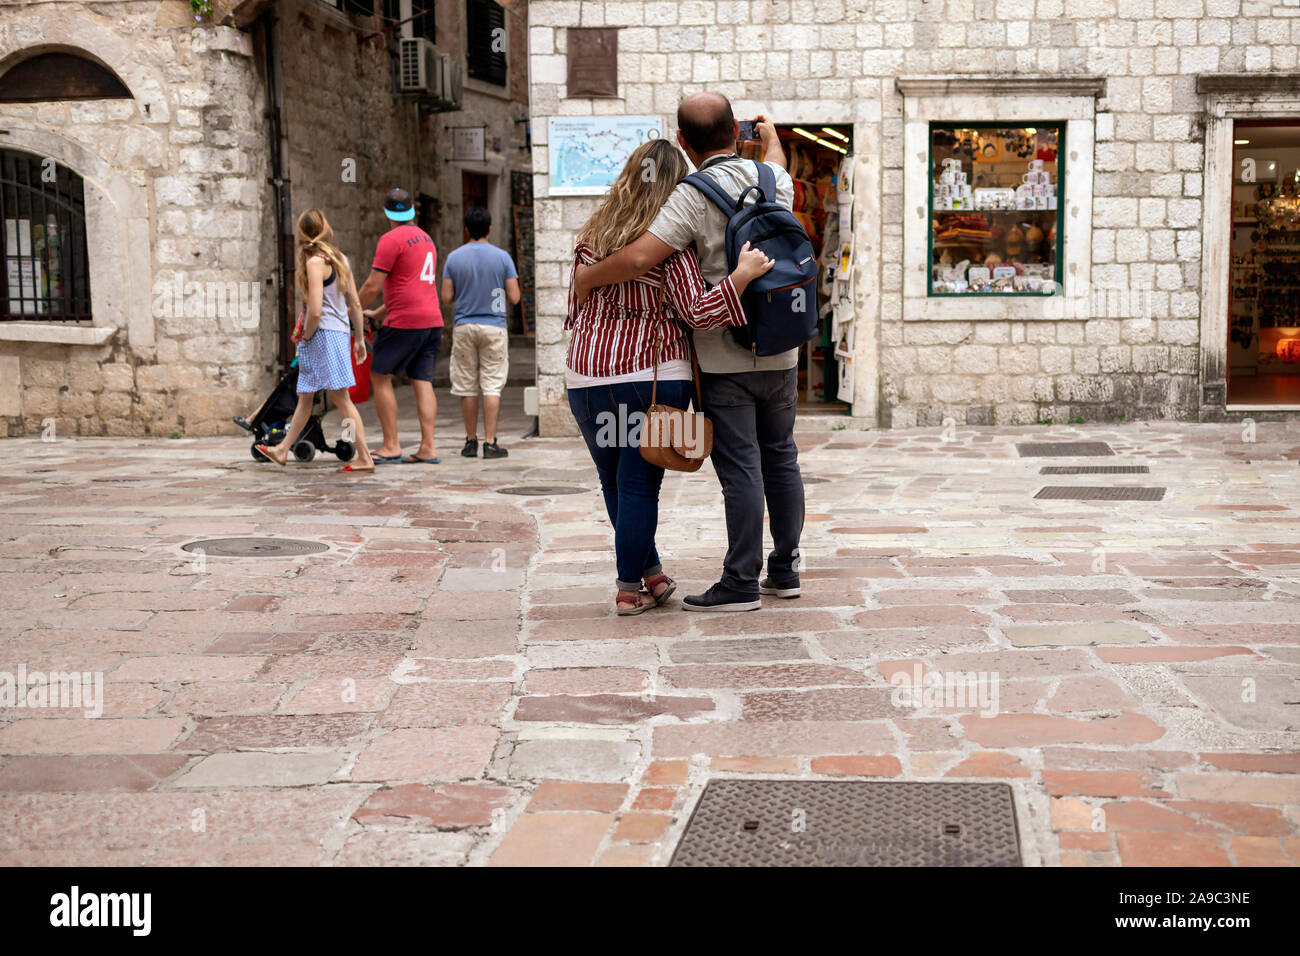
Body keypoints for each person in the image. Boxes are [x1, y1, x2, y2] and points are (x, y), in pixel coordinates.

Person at [575, 94, 806, 613]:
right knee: (782, 459)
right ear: (737, 129)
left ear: (684, 141)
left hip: (721, 358)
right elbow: (776, 165)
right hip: (780, 350)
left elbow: (637, 256)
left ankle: (739, 581)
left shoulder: (689, 195)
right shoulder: (776, 181)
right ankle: (785, 569)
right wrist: (771, 141)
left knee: (741, 467)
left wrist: (587, 276)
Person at [256, 209, 374, 472]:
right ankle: (283, 449)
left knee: (341, 398)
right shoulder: (340, 258)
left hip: (323, 335)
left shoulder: (314, 263)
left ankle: (365, 456)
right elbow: (354, 301)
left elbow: (316, 310)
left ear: (302, 233)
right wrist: (358, 338)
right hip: (339, 332)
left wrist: (304, 336)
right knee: (305, 397)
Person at [356, 187, 444, 464]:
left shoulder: (390, 240)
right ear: (412, 211)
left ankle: (391, 445)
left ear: (386, 213)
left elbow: (372, 284)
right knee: (422, 381)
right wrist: (380, 311)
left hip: (405, 323)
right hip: (431, 321)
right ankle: (428, 447)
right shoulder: (426, 239)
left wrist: (352, 307)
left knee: (380, 376)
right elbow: (413, 284)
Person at [441, 206, 521, 459]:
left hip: (465, 325)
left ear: (466, 229)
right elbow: (515, 297)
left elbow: (446, 297)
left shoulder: (454, 258)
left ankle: (470, 441)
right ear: (489, 228)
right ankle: (490, 442)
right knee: (492, 384)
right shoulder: (503, 258)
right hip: (494, 326)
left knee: (466, 385)